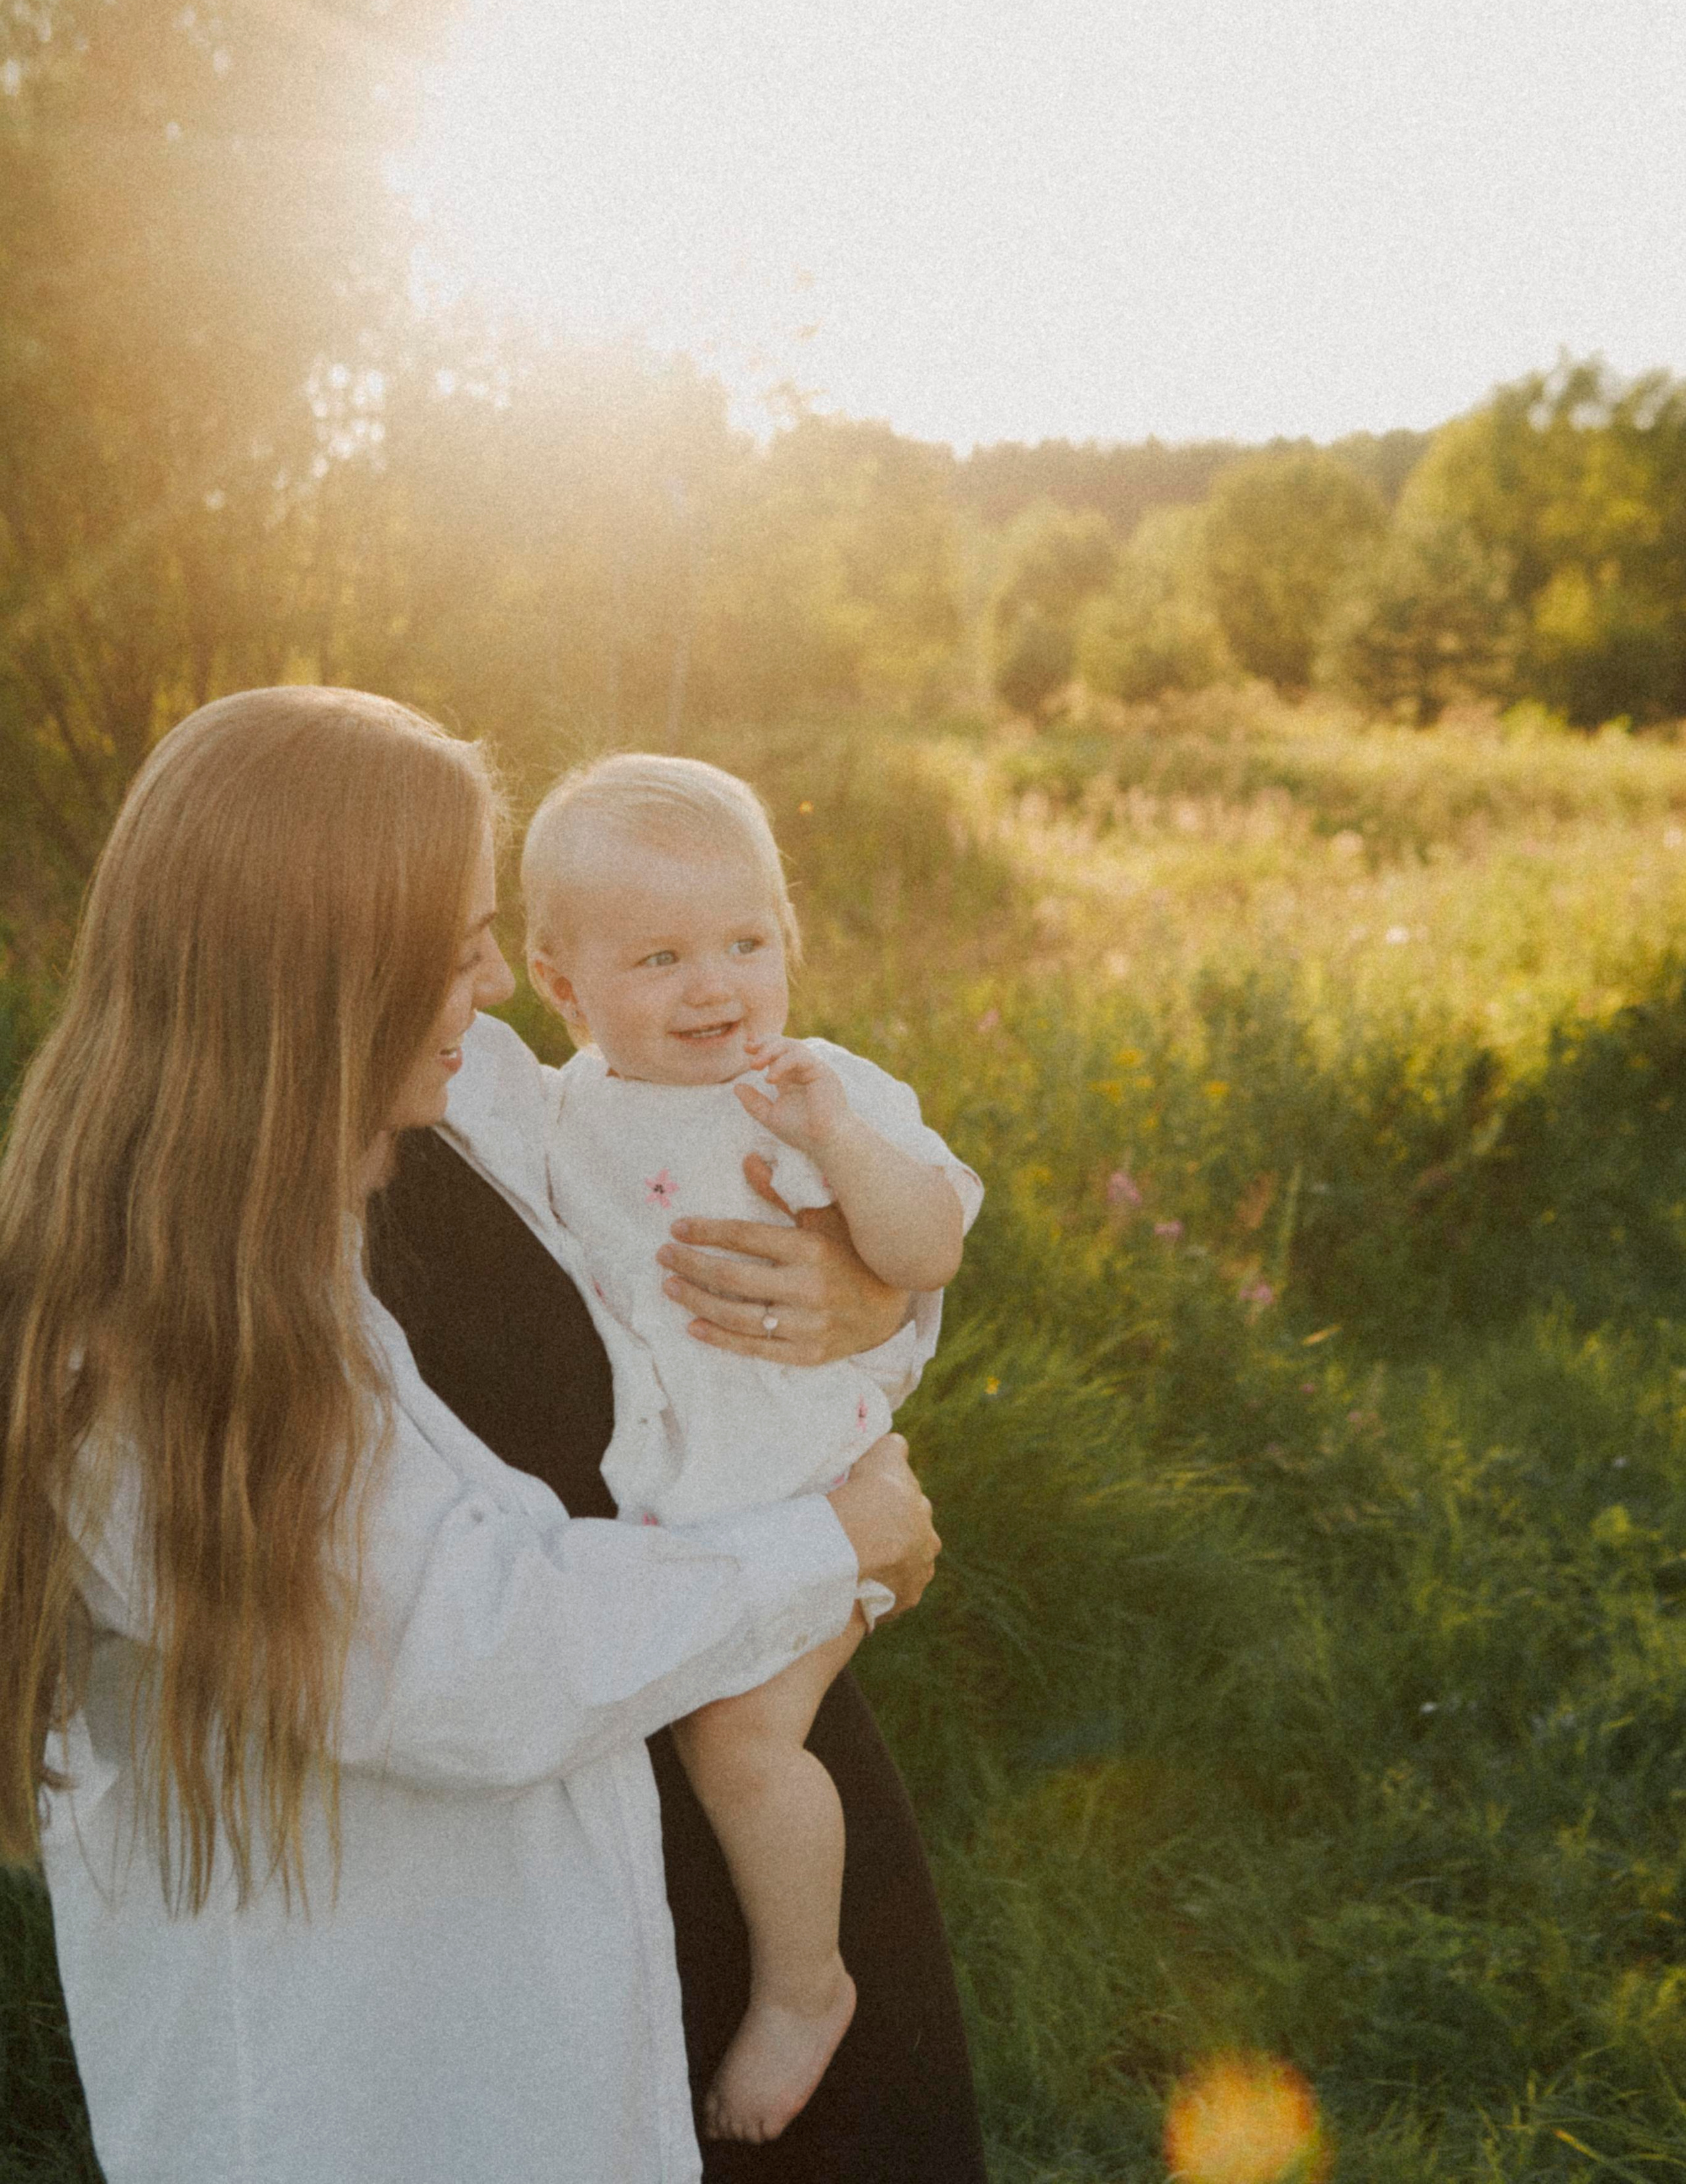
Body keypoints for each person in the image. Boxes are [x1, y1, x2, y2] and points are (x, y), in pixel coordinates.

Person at [0, 686, 939, 2184]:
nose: (499, 983)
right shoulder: (141, 1336)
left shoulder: (472, 1103)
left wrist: (863, 1309)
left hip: (729, 1856)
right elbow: (463, 1666)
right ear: (318, 982)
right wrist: (834, 1542)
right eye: (452, 954)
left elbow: (734, 1244)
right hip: (455, 2052)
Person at [511, 753, 983, 2144]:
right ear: (561, 987)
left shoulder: (813, 1089)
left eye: (744, 943)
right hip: (669, 1526)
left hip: (798, 1499)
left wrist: (839, 1143)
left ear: (788, 939)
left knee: (738, 1737)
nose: (714, 986)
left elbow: (927, 1251)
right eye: (659, 957)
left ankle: (805, 1982)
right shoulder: (556, 1114)